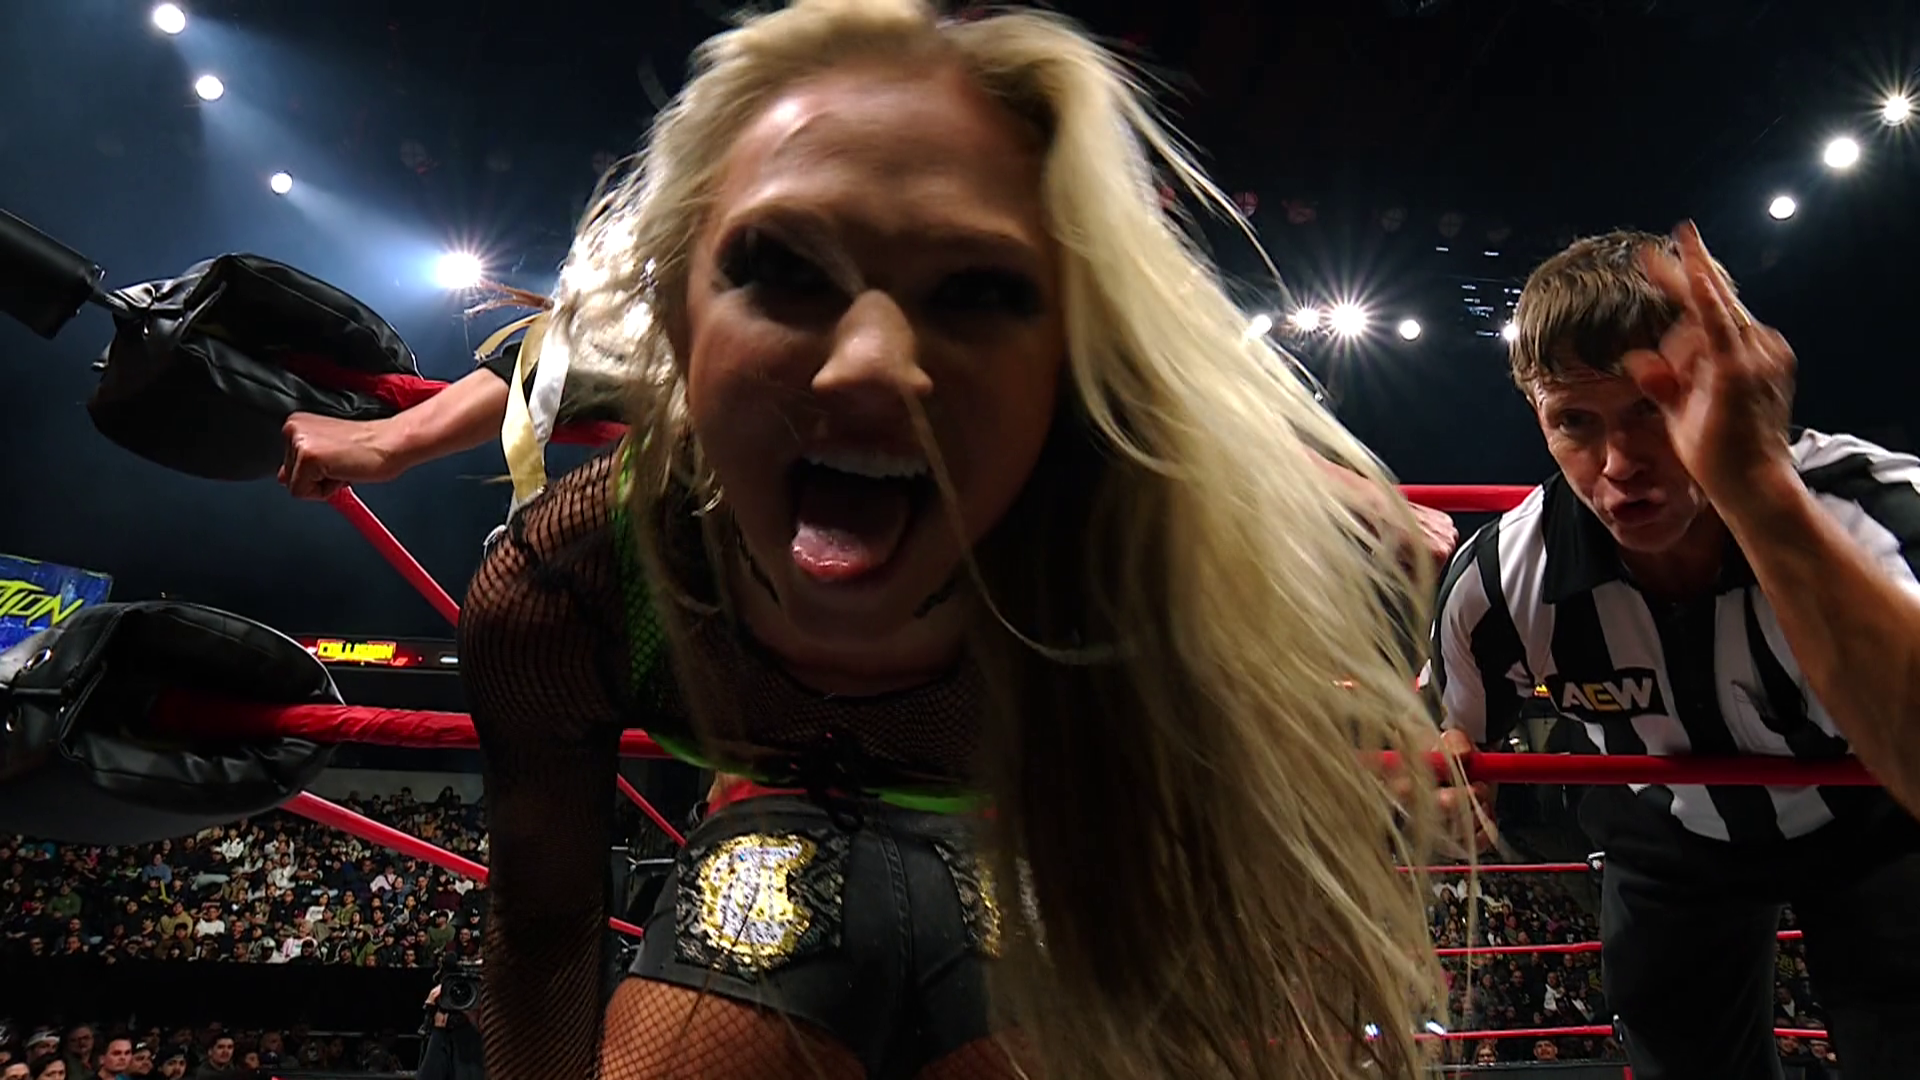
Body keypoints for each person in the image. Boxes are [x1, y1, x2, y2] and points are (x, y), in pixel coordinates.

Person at [442, 2, 1464, 1079]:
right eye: (785, 267)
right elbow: (539, 931)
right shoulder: (573, 578)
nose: (870, 367)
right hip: (792, 861)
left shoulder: (1141, 567)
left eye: (977, 290)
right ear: (675, 314)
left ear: (1067, 359)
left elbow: (1242, 936)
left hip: (1008, 870)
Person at [1431, 226, 1920, 1079]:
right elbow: (1443, 730)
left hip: (1878, 815)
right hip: (1671, 834)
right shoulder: (1504, 579)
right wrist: (1442, 778)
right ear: (1537, 416)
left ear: (1732, 387)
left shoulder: (1874, 509)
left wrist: (1759, 493)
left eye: (1654, 409)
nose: (1620, 464)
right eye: (1575, 421)